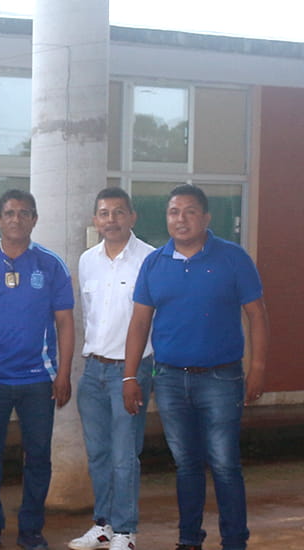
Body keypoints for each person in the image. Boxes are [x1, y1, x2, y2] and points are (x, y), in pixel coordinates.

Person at [123, 184, 268, 550]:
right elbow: (139, 323)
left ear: (206, 218)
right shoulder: (154, 263)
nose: (181, 219)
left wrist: (259, 368)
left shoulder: (233, 258)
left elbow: (256, 314)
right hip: (169, 379)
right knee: (186, 465)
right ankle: (189, 539)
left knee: (224, 464)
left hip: (222, 377)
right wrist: (129, 376)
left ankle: (234, 540)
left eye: (189, 211)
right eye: (174, 212)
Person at [0, 189, 76, 550]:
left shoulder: (51, 265)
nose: (16, 219)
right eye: (9, 213)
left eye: (24, 213)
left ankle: (31, 530)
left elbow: (65, 324)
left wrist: (63, 375)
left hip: (38, 380)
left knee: (38, 455)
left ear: (34, 219)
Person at [68, 188, 157, 550]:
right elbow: (90, 317)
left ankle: (125, 530)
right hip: (93, 371)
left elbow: (152, 320)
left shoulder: (150, 259)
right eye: (104, 213)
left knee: (124, 456)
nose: (111, 220)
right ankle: (103, 524)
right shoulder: (87, 260)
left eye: (119, 213)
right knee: (99, 454)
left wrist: (134, 374)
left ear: (132, 217)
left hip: (131, 373)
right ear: (95, 220)